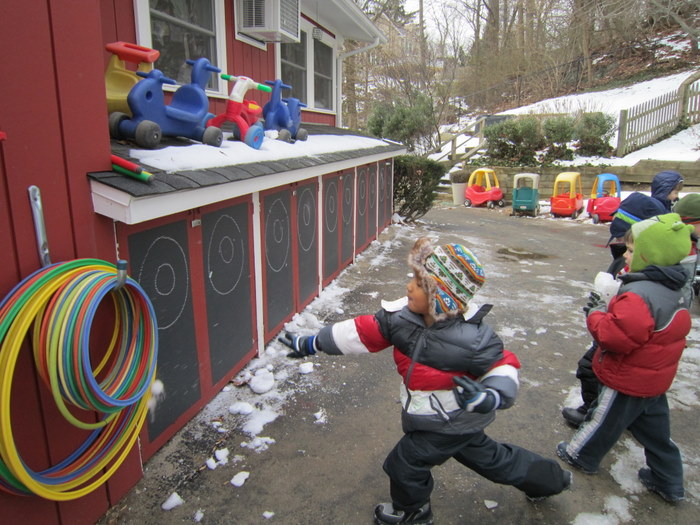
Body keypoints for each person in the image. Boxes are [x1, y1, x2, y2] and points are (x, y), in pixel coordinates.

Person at [280, 237, 572, 525]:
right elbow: (362, 332)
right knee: (492, 460)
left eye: (419, 284)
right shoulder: (402, 319)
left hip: (448, 420)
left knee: (405, 463)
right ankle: (548, 479)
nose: (409, 286)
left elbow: (503, 367)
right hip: (447, 420)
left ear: (441, 298)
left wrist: (490, 396)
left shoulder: (473, 339)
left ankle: (413, 512)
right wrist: (313, 343)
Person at [557, 213, 693, 503]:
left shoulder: (640, 295)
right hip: (655, 380)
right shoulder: (675, 288)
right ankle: (669, 481)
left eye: (631, 250)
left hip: (628, 379)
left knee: (603, 420)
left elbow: (614, 338)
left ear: (649, 255)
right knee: (657, 435)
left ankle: (580, 455)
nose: (625, 255)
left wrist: (596, 313)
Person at [607, 170, 684, 259]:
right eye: (675, 192)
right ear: (664, 191)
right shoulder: (655, 209)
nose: (677, 196)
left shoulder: (661, 207)